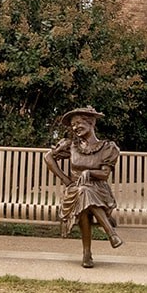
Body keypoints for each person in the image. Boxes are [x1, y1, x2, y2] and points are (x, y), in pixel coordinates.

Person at [45, 105, 123, 268]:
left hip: (99, 191)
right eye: (73, 125)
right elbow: (48, 157)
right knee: (82, 194)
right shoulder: (71, 146)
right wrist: (66, 180)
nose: (75, 127)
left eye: (79, 123)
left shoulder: (107, 147)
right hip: (75, 190)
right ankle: (111, 233)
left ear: (91, 123)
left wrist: (89, 172)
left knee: (84, 195)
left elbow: (105, 175)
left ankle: (87, 253)